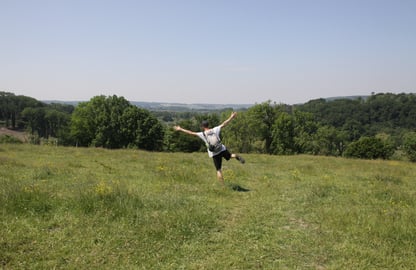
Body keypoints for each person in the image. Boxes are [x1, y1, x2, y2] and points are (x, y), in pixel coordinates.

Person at [174, 112, 245, 185]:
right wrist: (231, 117)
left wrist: (180, 129)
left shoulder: (202, 134)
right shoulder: (215, 129)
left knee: (218, 170)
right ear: (208, 125)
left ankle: (222, 186)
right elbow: (224, 124)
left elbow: (191, 133)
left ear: (202, 127)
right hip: (221, 148)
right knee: (230, 156)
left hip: (214, 153)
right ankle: (237, 156)